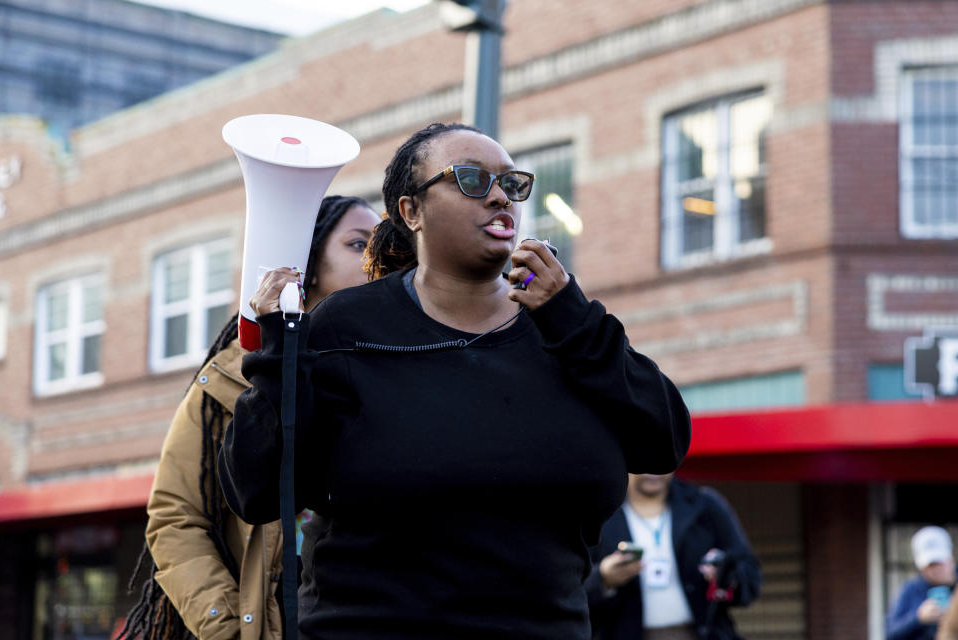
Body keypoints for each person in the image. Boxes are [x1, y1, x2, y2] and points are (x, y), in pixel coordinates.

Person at [218, 122, 692, 639]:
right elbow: (258, 490)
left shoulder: (565, 328)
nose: (498, 197)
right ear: (411, 211)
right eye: (470, 179)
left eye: (510, 184)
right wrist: (276, 357)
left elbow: (663, 440)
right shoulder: (344, 325)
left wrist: (574, 322)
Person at [118, 195, 380, 640]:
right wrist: (230, 628)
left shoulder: (390, 365)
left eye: (381, 246)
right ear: (307, 265)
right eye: (359, 245)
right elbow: (176, 517)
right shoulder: (227, 378)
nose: (376, 261)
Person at [587, 473, 761, 640]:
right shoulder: (599, 513)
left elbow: (750, 575)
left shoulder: (705, 505)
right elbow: (571, 587)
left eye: (662, 457)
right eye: (644, 458)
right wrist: (604, 578)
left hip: (701, 633)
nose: (653, 468)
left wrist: (725, 574)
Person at [888, 526, 957, 640]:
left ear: (951, 558)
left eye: (939, 563)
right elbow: (891, 633)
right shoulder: (911, 590)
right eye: (929, 565)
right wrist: (918, 618)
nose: (935, 570)